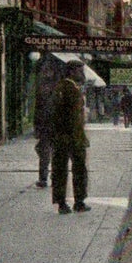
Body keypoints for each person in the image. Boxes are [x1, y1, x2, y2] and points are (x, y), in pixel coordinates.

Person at [51, 60, 90, 214]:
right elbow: (69, 116)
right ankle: (76, 202)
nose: (83, 74)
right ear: (72, 71)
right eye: (80, 71)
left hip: (66, 137)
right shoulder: (68, 88)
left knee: (63, 170)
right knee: (75, 169)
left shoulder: (65, 87)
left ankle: (66, 203)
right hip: (70, 137)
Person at [33, 57, 60, 188]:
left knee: (55, 152)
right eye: (44, 70)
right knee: (44, 153)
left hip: (56, 125)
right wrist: (36, 126)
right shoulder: (40, 87)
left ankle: (55, 175)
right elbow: (37, 107)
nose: (46, 73)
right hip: (44, 125)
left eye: (48, 70)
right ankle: (43, 178)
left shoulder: (59, 87)